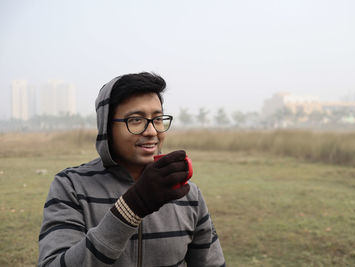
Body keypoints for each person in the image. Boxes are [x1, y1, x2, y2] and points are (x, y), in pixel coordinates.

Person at [38, 72, 225, 266]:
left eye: (158, 119)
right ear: (106, 127)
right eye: (136, 120)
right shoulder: (71, 186)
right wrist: (131, 207)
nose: (152, 131)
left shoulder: (188, 194)